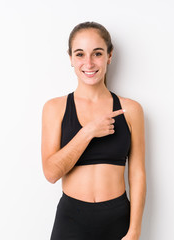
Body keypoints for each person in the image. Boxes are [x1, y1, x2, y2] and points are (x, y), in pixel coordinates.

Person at [41, 21, 146, 240]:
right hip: (71, 221)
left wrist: (134, 230)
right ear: (70, 58)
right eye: (80, 54)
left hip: (117, 220)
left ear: (109, 55)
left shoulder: (131, 109)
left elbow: (137, 173)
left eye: (97, 53)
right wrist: (88, 131)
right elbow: (51, 173)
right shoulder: (55, 108)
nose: (88, 63)